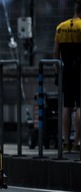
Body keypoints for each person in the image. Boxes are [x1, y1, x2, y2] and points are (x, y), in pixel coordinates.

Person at [53, 0, 81, 152]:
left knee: (67, 106)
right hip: (79, 70)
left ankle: (65, 142)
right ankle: (77, 142)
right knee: (79, 106)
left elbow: (55, 52)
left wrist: (57, 71)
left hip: (66, 70)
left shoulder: (60, 27)